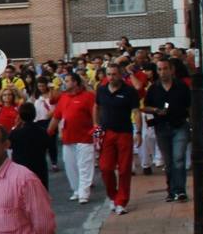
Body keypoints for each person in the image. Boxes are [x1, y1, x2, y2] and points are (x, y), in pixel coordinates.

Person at [142, 56, 192, 203]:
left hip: (179, 126)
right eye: (159, 69)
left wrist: (192, 125)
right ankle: (171, 190)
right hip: (162, 127)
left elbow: (190, 105)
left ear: (171, 70)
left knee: (179, 159)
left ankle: (180, 190)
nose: (162, 72)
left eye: (165, 69)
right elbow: (145, 107)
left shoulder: (181, 86)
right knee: (169, 162)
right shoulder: (154, 88)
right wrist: (156, 110)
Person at [94, 63, 139, 215]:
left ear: (120, 75)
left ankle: (122, 201)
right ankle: (113, 196)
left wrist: (138, 132)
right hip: (107, 133)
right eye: (109, 74)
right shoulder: (101, 90)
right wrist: (96, 125)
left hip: (125, 133)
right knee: (106, 168)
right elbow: (97, 106)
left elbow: (136, 111)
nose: (111, 77)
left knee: (125, 168)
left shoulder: (129, 91)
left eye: (114, 74)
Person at [48, 73, 96, 205]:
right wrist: (48, 132)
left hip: (85, 138)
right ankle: (76, 190)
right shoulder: (63, 97)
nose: (65, 83)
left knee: (84, 166)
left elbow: (96, 116)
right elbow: (56, 117)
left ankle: (84, 193)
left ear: (75, 82)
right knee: (70, 167)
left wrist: (96, 133)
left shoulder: (88, 97)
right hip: (68, 138)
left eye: (67, 81)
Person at [31, 78, 60, 172]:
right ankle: (42, 162)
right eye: (39, 86)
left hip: (50, 120)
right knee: (41, 143)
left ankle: (54, 162)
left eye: (43, 86)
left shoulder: (52, 93)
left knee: (52, 143)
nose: (41, 88)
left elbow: (55, 102)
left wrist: (51, 89)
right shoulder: (36, 95)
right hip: (39, 120)